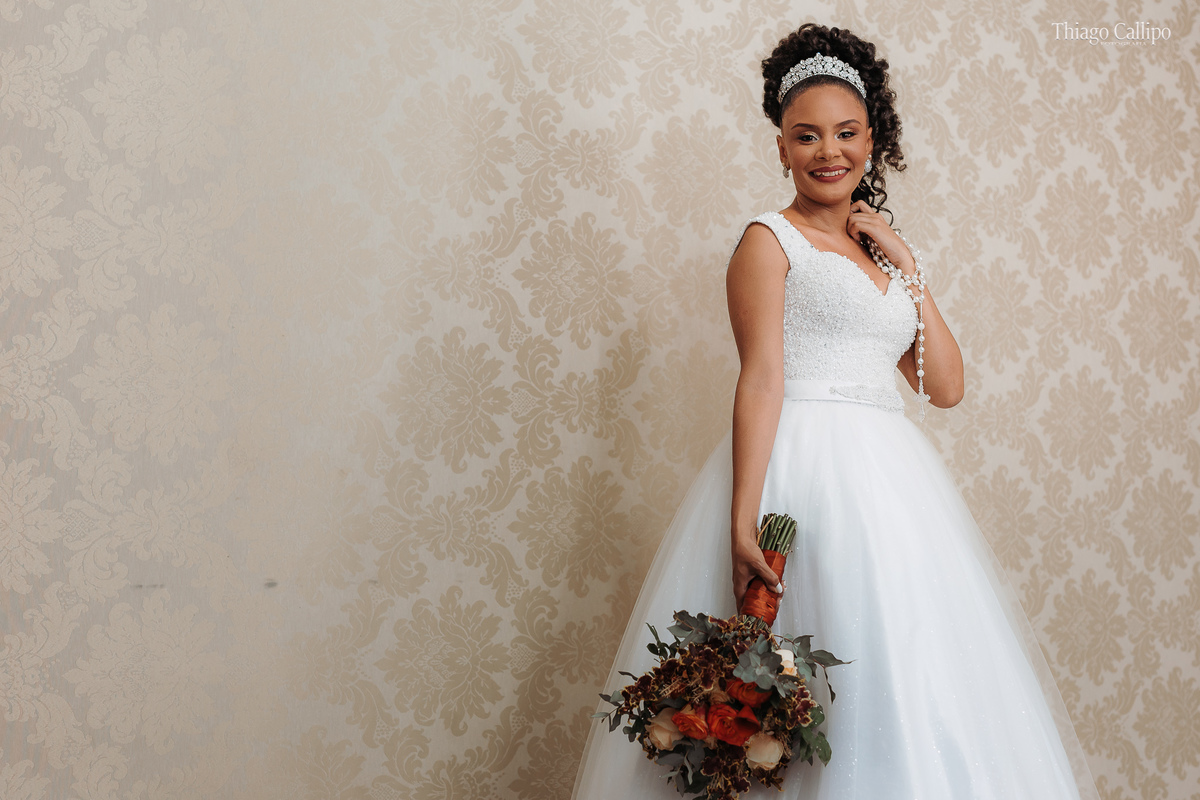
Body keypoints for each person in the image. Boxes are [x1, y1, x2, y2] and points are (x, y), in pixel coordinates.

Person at [572, 22, 1101, 800]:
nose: (829, 151)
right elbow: (761, 379)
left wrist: (908, 266)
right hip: (806, 471)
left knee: (901, 661)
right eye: (807, 135)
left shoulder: (881, 252)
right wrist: (742, 520)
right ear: (782, 147)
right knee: (802, 670)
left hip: (892, 483)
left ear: (872, 140)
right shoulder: (769, 240)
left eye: (847, 133)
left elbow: (945, 387)